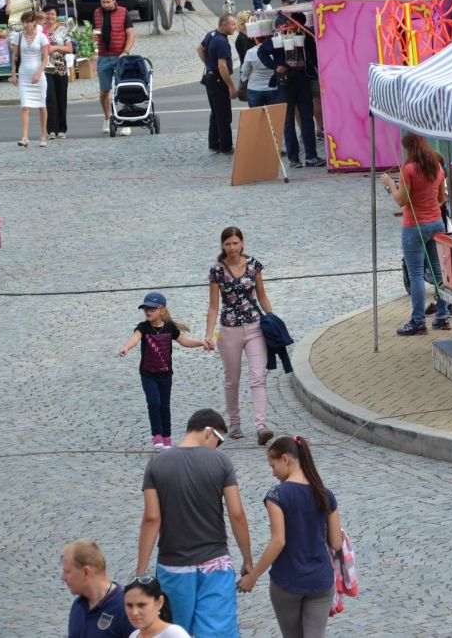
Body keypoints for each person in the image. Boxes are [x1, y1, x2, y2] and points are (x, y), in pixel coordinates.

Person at [136, 409, 253, 636]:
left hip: (173, 565)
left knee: (176, 630)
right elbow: (237, 514)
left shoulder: (156, 464)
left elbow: (151, 519)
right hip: (215, 564)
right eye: (218, 441)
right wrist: (247, 560)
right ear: (209, 432)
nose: (217, 448)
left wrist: (141, 572)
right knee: (217, 631)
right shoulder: (221, 463)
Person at [238, 436, 343, 638]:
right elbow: (336, 543)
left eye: (273, 466)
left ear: (285, 459)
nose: (273, 472)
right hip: (320, 581)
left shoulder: (277, 495)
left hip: (288, 581)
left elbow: (278, 541)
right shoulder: (325, 494)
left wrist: (253, 576)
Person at [206, 227, 275, 445]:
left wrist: (272, 319)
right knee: (232, 379)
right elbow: (214, 306)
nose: (232, 247)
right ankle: (234, 423)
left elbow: (262, 296)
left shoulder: (253, 265)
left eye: (235, 243)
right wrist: (209, 334)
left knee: (258, 376)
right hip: (229, 330)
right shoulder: (217, 270)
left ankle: (261, 426)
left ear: (242, 242)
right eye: (228, 244)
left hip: (255, 327)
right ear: (222, 246)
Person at [380, 133, 452, 336]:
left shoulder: (409, 169)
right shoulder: (437, 167)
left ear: (410, 148)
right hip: (436, 222)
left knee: (416, 274)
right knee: (438, 271)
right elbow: (441, 197)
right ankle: (442, 315)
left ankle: (418, 321)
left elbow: (401, 200)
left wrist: (390, 183)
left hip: (414, 225)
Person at [118, 292, 210, 451]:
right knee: (154, 403)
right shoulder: (143, 327)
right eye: (145, 309)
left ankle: (167, 437)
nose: (148, 312)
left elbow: (185, 341)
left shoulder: (170, 327)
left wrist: (201, 343)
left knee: (164, 406)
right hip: (148, 374)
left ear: (162, 310)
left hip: (165, 375)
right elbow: (135, 338)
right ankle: (157, 435)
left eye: (152, 309)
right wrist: (126, 347)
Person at [274, 0, 324, 168]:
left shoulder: (307, 36)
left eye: (300, 26)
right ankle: (294, 158)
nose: (298, 28)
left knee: (307, 117)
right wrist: (276, 66)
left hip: (303, 78)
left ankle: (311, 156)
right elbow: (263, 52)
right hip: (286, 80)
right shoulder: (279, 36)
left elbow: (314, 57)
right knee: (288, 119)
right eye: (296, 25)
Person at [63, 539, 130, 638]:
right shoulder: (78, 606)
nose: (63, 577)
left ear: (85, 572)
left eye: (67, 572)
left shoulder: (126, 608)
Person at [94, 0, 135, 136]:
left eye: (108, 2)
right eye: (103, 2)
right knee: (104, 90)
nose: (105, 5)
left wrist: (126, 52)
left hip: (120, 56)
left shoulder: (123, 12)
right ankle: (107, 118)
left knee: (124, 89)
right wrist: (94, 37)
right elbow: (95, 30)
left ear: (114, 0)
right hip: (104, 56)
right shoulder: (97, 13)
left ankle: (126, 121)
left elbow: (130, 34)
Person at [198, 13, 238, 154]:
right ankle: (226, 146)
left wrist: (208, 64)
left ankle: (214, 143)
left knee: (215, 112)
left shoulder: (211, 34)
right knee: (224, 114)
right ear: (223, 25)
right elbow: (222, 66)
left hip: (210, 77)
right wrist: (231, 87)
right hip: (218, 80)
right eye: (233, 24)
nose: (235, 27)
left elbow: (200, 49)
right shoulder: (222, 42)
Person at [10, 9, 50, 147]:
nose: (25, 25)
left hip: (38, 73)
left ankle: (43, 136)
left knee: (42, 106)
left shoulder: (41, 37)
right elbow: (15, 57)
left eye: (28, 22)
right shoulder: (18, 36)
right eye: (24, 22)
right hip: (24, 74)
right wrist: (13, 74)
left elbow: (46, 58)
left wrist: (39, 73)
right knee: (25, 106)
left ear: (34, 22)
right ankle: (25, 137)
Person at [123, 575, 191, 638]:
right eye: (129, 605)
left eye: (141, 605)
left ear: (160, 602)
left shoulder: (174, 634)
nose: (134, 612)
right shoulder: (134, 635)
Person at [44, 6, 75, 139]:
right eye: (48, 14)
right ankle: (51, 129)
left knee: (61, 98)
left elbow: (70, 48)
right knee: (50, 98)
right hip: (45, 68)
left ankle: (62, 128)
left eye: (53, 14)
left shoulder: (62, 29)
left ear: (56, 16)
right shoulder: (40, 30)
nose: (50, 16)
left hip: (60, 67)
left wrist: (55, 47)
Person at [239, 36, 281, 107]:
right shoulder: (276, 51)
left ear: (256, 39)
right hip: (273, 87)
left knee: (256, 113)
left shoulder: (250, 52)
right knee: (273, 113)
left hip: (254, 88)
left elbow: (245, 71)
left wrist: (244, 79)